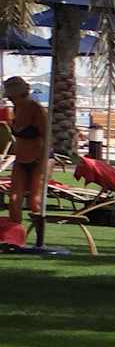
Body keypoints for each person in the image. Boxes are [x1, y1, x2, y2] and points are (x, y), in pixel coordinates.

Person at [4, 77, 49, 243]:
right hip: (21, 159)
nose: (11, 99)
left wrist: (42, 162)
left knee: (35, 202)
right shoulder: (16, 109)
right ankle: (15, 238)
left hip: (39, 158)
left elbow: (47, 138)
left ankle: (39, 240)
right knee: (14, 199)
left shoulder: (36, 109)